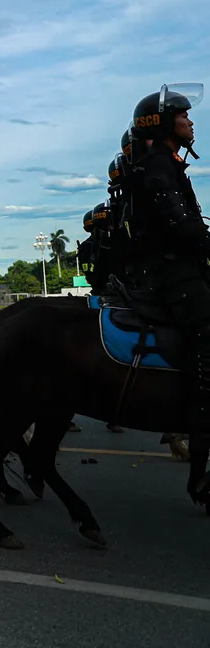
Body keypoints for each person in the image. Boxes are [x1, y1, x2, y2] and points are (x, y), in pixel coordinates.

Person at [124, 83, 210, 496]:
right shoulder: (158, 166)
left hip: (178, 267)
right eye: (184, 116)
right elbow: (181, 225)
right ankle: (200, 412)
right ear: (164, 124)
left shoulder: (166, 163)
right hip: (171, 275)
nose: (191, 121)